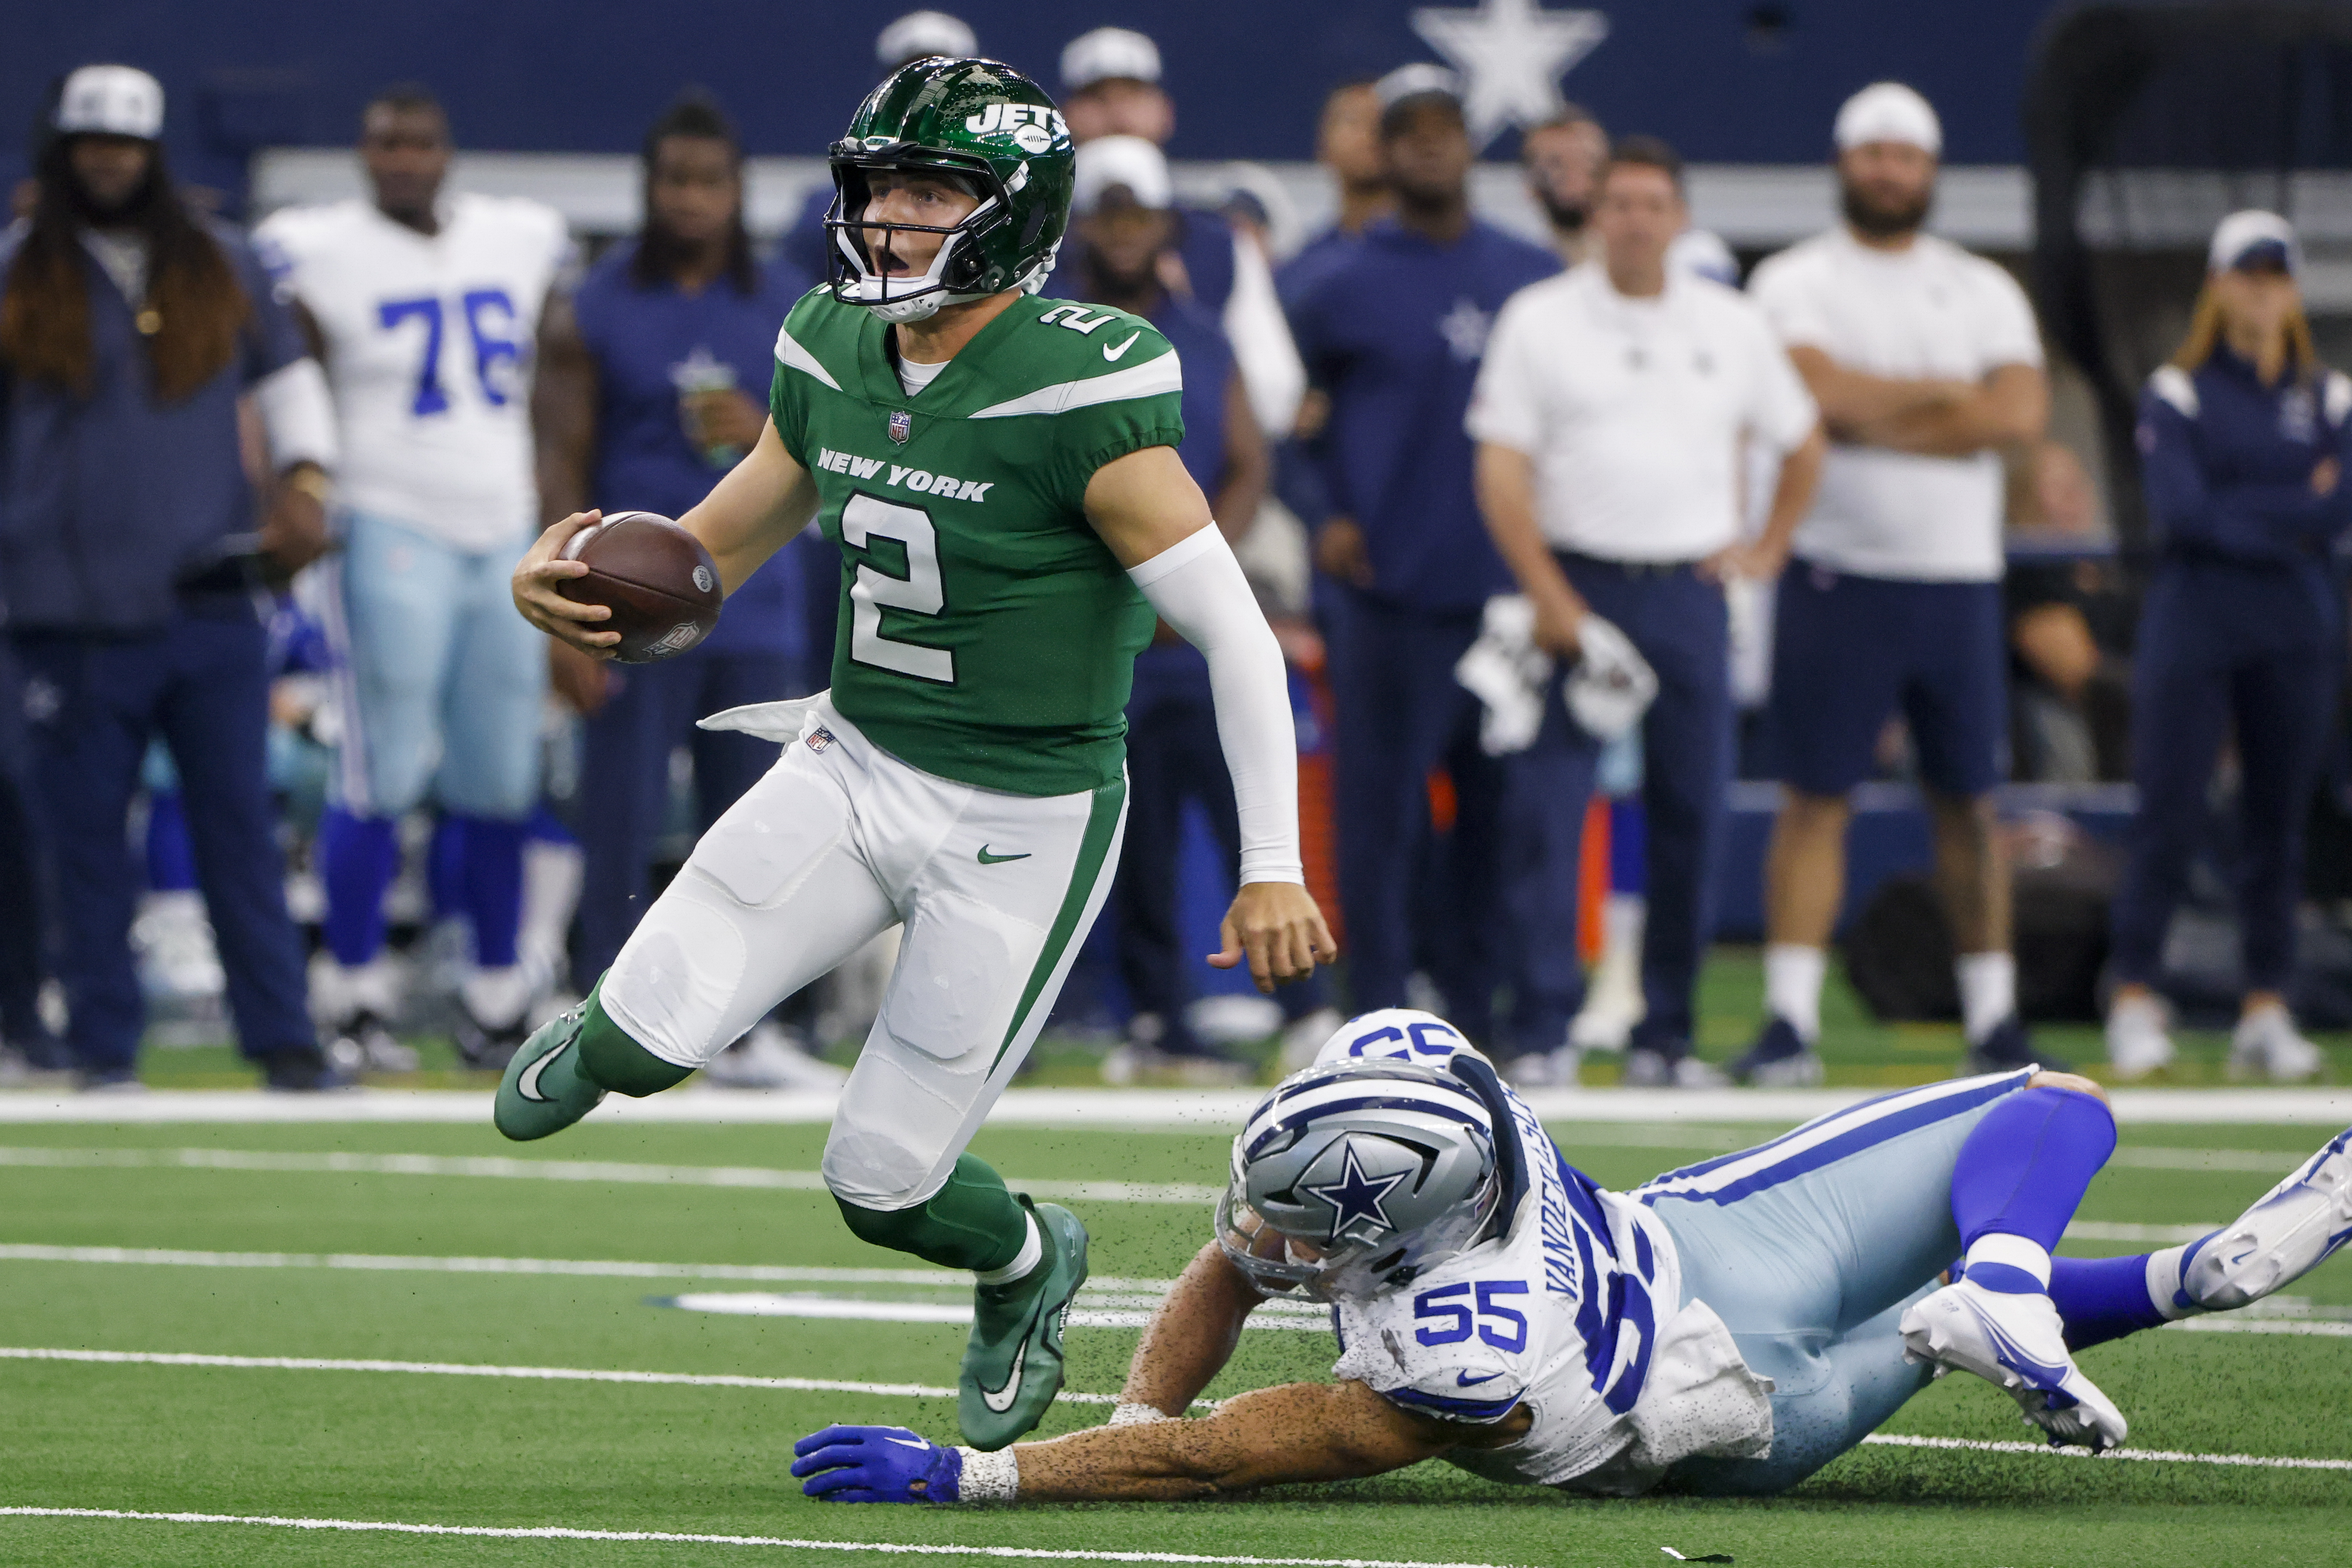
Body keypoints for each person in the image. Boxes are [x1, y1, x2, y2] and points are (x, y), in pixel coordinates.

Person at [500, 58, 1335, 1452]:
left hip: (1023, 813)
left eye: (930, 188)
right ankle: (617, 1028)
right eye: (878, 185)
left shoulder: (1080, 389)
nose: (889, 216)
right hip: (854, 756)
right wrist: (589, 593)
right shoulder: (829, 342)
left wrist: (1266, 866)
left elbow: (1240, 638)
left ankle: (1023, 1261)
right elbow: (713, 554)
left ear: (1009, 214)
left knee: (881, 1179)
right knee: (631, 1049)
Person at [788, 1014, 2352, 1504]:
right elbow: (1233, 1265)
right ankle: (2139, 1272)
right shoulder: (1421, 1065)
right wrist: (1135, 1402)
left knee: (2032, 1125)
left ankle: (1992, 1293)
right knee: (2050, 1101)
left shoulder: (1454, 1348)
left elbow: (1220, 1459)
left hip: (1742, 1413)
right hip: (1708, 1259)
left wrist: (983, 1477)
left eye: (1321, 1226)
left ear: (1401, 1221)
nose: (1274, 1241)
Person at [0, 65, 342, 1090]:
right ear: (60, 151)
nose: (108, 160)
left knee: (240, 828)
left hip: (209, 594)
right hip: (69, 608)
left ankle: (284, 1042)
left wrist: (308, 487)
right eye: (90, 143)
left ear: (155, 154)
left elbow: (288, 381)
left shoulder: (219, 262)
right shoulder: (18, 271)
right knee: (87, 848)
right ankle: (105, 1048)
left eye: (127, 144)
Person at [1469, 138, 1825, 1088]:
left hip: (1688, 591)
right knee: (1548, 811)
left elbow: (1800, 441)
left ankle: (1664, 1036)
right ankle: (1542, 1027)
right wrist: (1547, 593)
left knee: (1689, 811)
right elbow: (1501, 467)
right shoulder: (1540, 319)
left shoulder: (1730, 322)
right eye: (1617, 203)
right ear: (1594, 216)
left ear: (1679, 218)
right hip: (1576, 583)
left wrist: (1766, 548)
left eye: (1651, 204)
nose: (1633, 220)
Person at [1736, 83, 2051, 1085]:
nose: (1886, 169)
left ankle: (1993, 1020)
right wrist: (1944, 396)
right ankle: (1787, 1020)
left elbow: (2016, 416)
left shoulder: (1979, 286)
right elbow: (1806, 394)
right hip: (1837, 573)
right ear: (1842, 163)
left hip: (1956, 577)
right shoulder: (1795, 277)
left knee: (1966, 800)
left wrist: (1873, 412)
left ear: (1928, 169)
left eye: (1902, 155)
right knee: (1813, 798)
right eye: (1870, 152)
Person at [258, 85, 573, 1071]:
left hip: (504, 526)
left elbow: (556, 373)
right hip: (387, 521)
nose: (402, 159)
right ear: (362, 152)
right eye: (385, 143)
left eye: (419, 142)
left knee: (499, 775)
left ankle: (493, 991)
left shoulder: (517, 236)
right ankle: (351, 991)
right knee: (379, 765)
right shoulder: (315, 246)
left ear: (448, 150)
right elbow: (276, 362)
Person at [534, 93, 840, 1091]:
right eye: (675, 180)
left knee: (761, 820)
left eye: (710, 181)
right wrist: (566, 606)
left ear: (738, 190)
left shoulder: (793, 303)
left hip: (758, 594)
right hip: (624, 601)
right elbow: (558, 452)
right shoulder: (594, 300)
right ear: (647, 188)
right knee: (618, 810)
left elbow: (838, 454)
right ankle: (607, 1014)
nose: (693, 199)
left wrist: (764, 420)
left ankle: (750, 1028)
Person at [1285, 66, 1559, 1054]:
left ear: (1469, 143)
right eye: (1410, 132)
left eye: (1447, 128)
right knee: (1380, 816)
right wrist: (1323, 512)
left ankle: (1482, 1015)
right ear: (1383, 151)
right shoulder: (1332, 284)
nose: (1430, 145)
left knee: (1498, 817)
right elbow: (1285, 428)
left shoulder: (1530, 275)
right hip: (1385, 595)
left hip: (1503, 599)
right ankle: (1379, 1008)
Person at [1054, 136, 1330, 1084]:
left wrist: (1198, 557)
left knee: (1251, 808)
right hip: (1104, 629)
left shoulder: (1205, 338)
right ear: (1080, 224)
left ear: (1167, 223)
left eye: (1139, 215)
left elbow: (1250, 459)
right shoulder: (1043, 335)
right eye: (1108, 214)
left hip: (1201, 627)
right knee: (1137, 837)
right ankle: (1159, 1020)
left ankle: (1305, 1010)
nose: (1124, 232)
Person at [2104, 212, 2352, 1082]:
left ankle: (2266, 1005)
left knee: (2278, 821)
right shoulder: (2177, 390)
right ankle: (2133, 993)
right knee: (2168, 809)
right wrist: (2289, 509)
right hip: (2195, 619)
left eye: (2275, 274)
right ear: (2217, 285)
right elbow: (2182, 511)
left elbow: (2337, 507)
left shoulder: (2328, 396)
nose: (2260, 289)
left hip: (2293, 625)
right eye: (2246, 274)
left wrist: (2246, 507)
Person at [1058, 25, 1305, 442]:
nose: (1118, 115)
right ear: (1064, 116)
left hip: (1195, 470)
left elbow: (1275, 395)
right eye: (1097, 99)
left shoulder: (1219, 242)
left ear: (1165, 111)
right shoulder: (1028, 238)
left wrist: (1183, 324)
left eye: (1133, 96)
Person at [780, 11, 980, 283]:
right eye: (905, 83)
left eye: (941, 83)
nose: (924, 98)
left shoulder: (997, 187)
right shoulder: (828, 206)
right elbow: (797, 298)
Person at [1520, 107, 1609, 267]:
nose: (1574, 178)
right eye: (1556, 164)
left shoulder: (1655, 261)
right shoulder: (1515, 263)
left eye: (1587, 161)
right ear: (1530, 185)